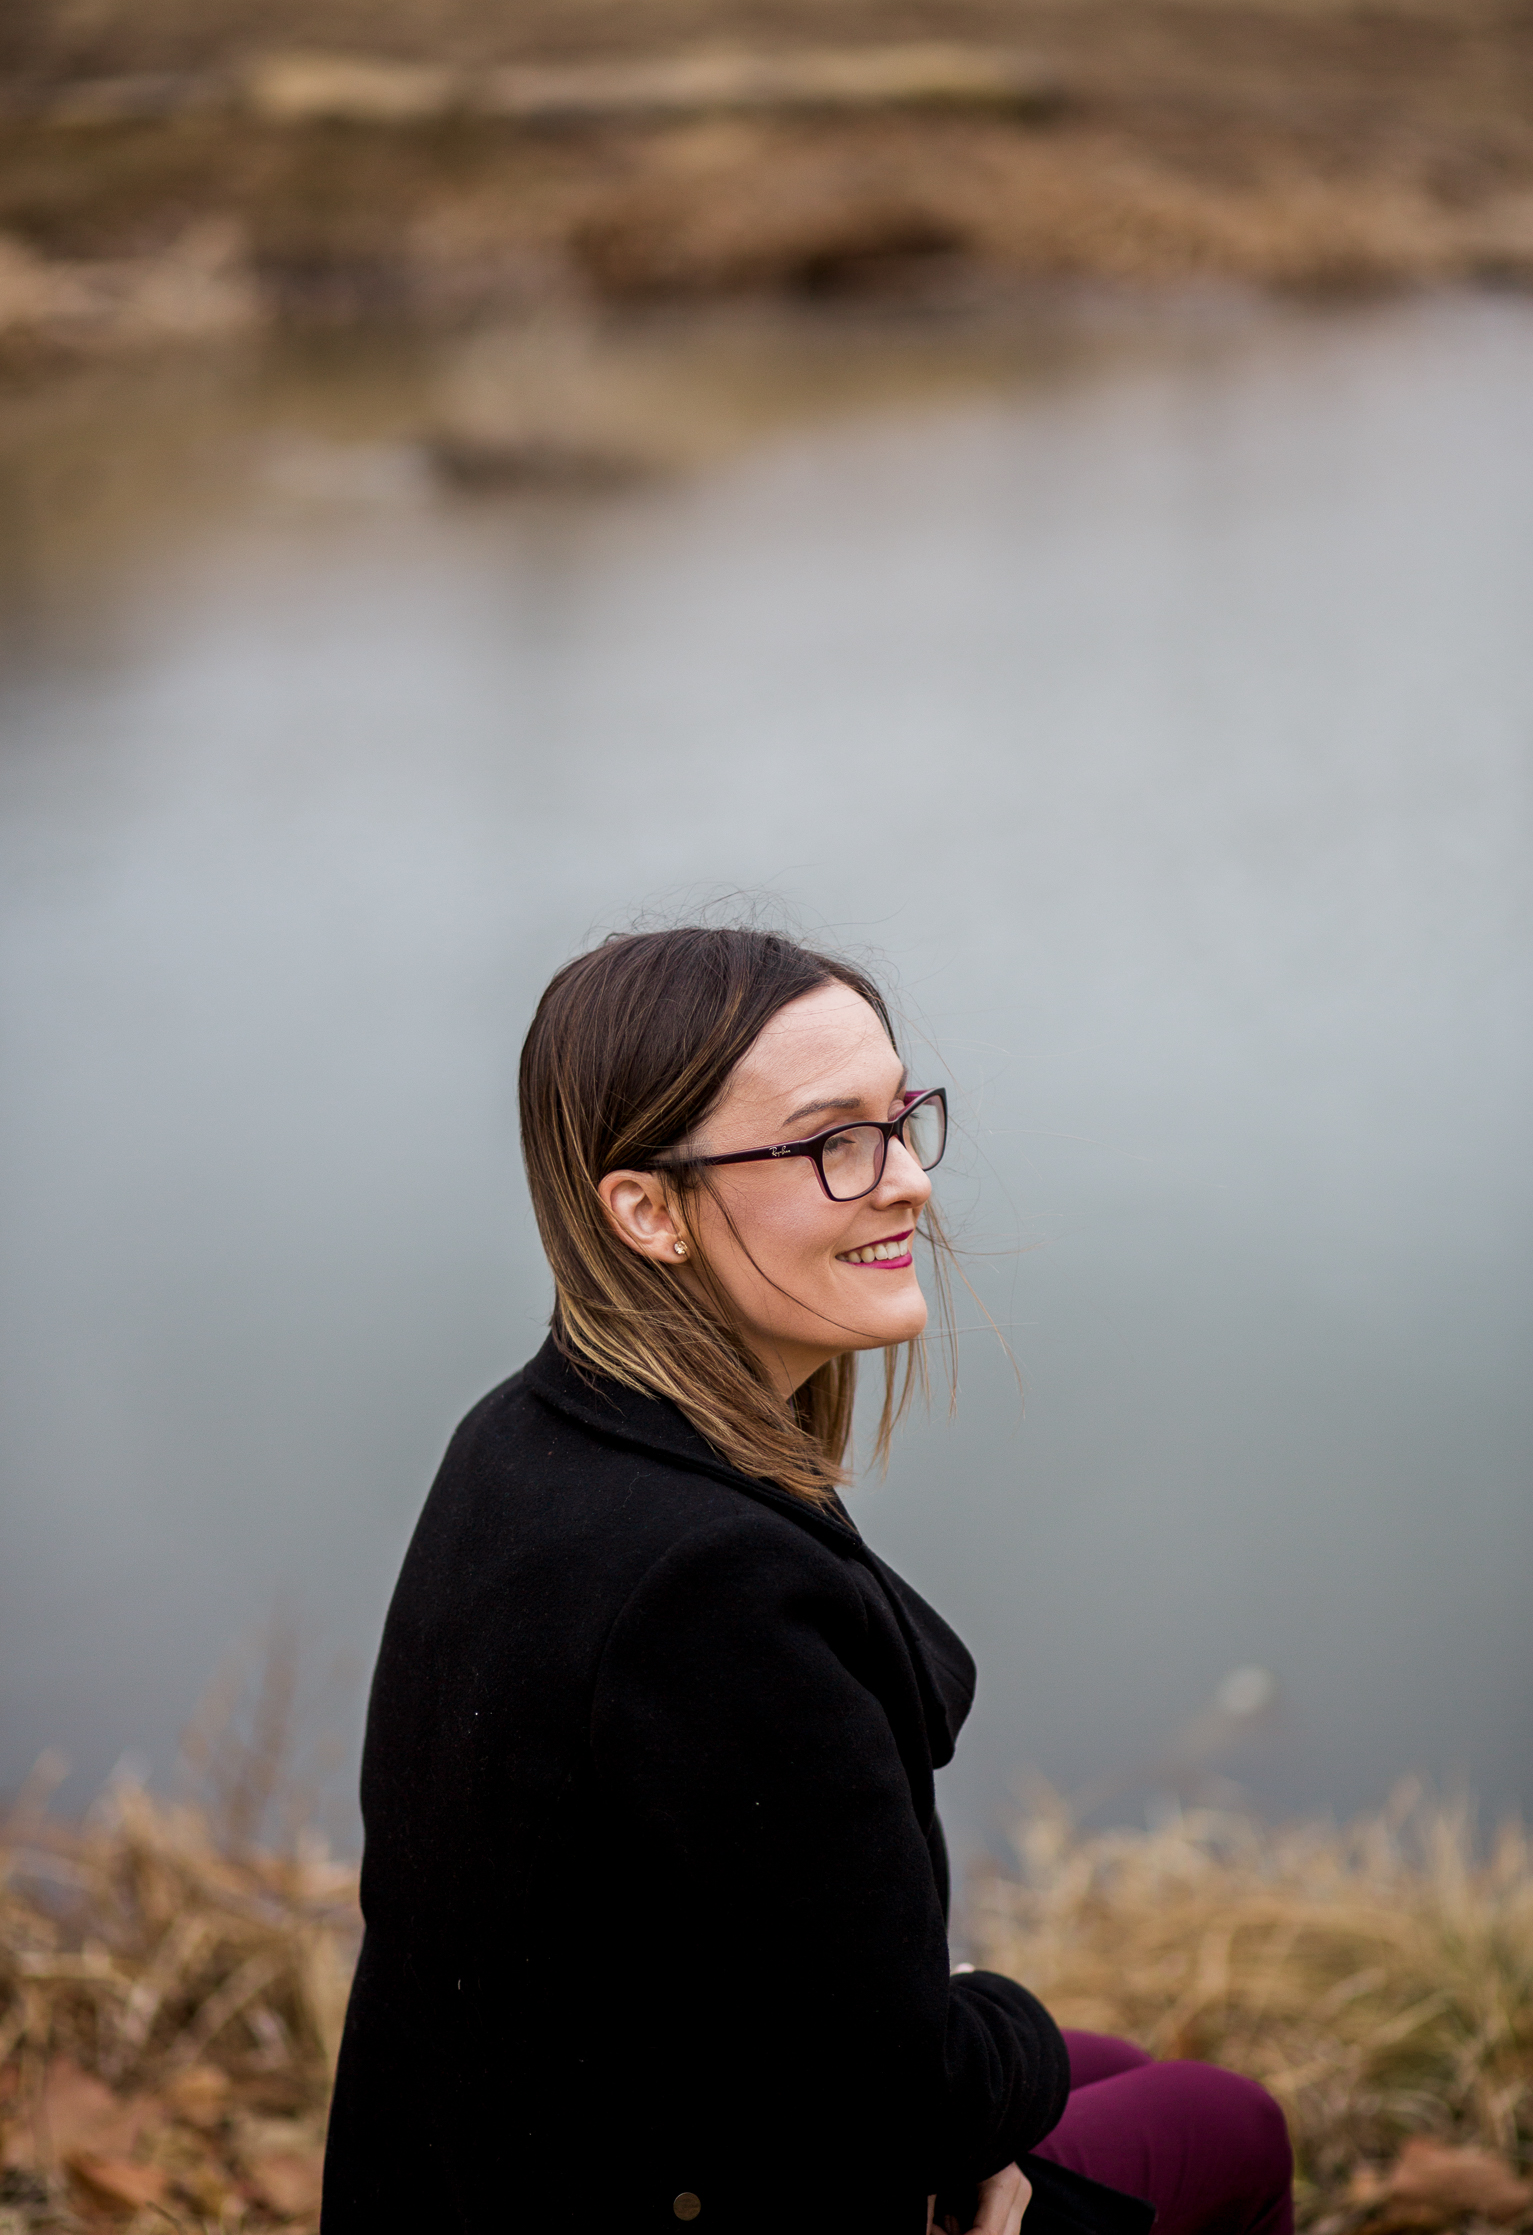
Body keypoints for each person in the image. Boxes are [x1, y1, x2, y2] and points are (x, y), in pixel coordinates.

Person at [321, 925, 1294, 2235]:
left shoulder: (523, 1436)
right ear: (646, 1210)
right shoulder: (709, 1590)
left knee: (1103, 2067)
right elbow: (903, 2100)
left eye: (898, 1121)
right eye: (832, 1142)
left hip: (494, 2164)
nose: (906, 1185)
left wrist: (965, 2037)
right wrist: (983, 2025)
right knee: (1225, 2124)